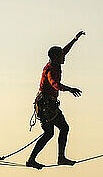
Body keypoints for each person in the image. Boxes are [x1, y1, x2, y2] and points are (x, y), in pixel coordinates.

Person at [26, 31, 86, 170]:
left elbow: (65, 50)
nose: (64, 57)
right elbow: (55, 84)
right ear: (55, 57)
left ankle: (32, 160)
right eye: (61, 56)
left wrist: (75, 39)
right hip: (47, 105)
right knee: (63, 128)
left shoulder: (55, 63)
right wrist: (69, 89)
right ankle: (60, 158)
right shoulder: (51, 70)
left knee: (49, 133)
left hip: (46, 105)